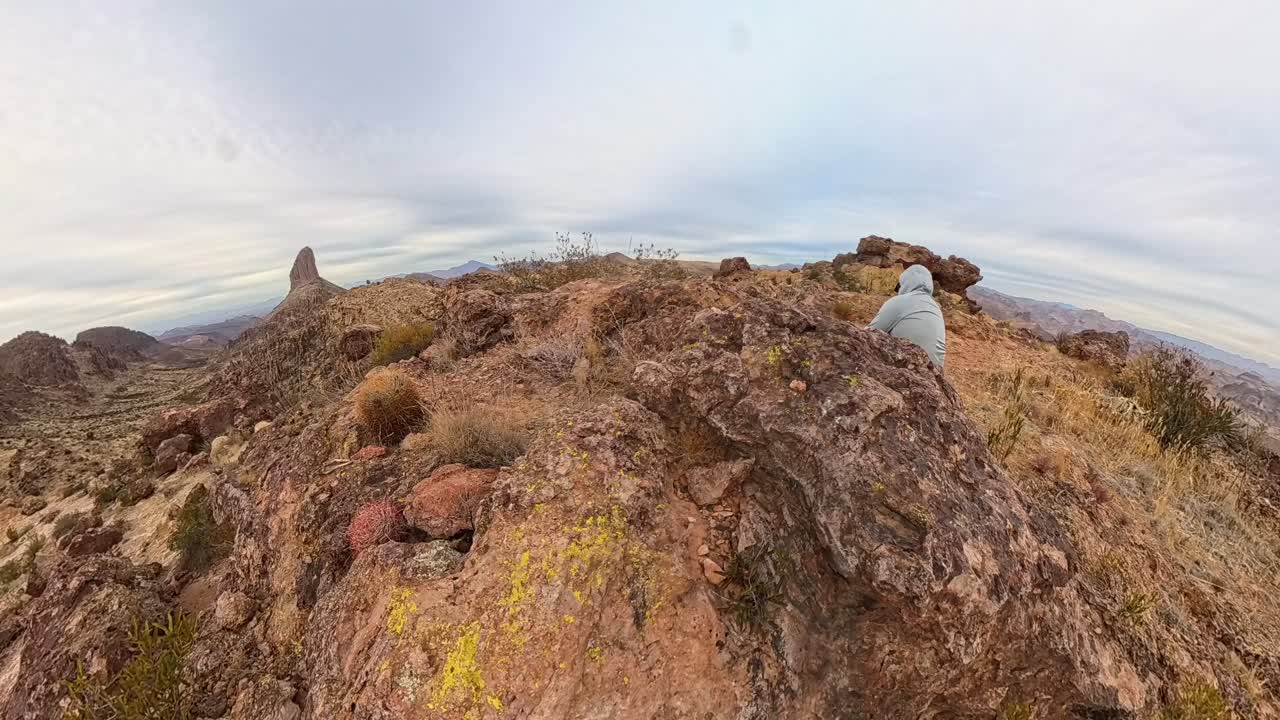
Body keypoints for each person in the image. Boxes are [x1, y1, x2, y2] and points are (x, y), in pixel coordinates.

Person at [868, 264, 947, 368]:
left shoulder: (900, 301)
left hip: (906, 367)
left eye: (899, 285)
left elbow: (868, 333)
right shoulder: (935, 307)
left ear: (906, 283)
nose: (898, 290)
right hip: (934, 374)